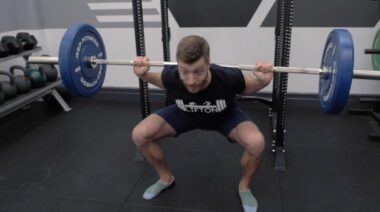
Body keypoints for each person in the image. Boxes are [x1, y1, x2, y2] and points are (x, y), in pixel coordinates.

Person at [132, 35, 273, 212]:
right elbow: (160, 81)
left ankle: (244, 186)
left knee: (257, 143)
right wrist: (143, 74)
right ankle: (165, 178)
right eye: (184, 71)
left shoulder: (227, 77)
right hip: (184, 114)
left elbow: (248, 86)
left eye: (198, 71)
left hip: (224, 116)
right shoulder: (172, 76)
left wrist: (263, 80)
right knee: (139, 135)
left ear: (208, 63)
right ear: (177, 65)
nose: (191, 80)